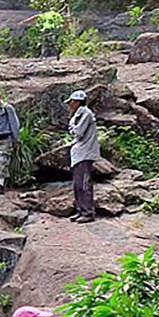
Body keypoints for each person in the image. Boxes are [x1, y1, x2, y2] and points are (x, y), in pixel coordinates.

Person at [66, 89, 100, 224]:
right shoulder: (78, 114)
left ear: (78, 101)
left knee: (84, 184)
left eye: (71, 101)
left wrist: (72, 126)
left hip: (85, 153)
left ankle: (88, 212)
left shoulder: (86, 113)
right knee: (77, 184)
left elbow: (78, 132)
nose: (70, 104)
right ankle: (80, 210)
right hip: (78, 153)